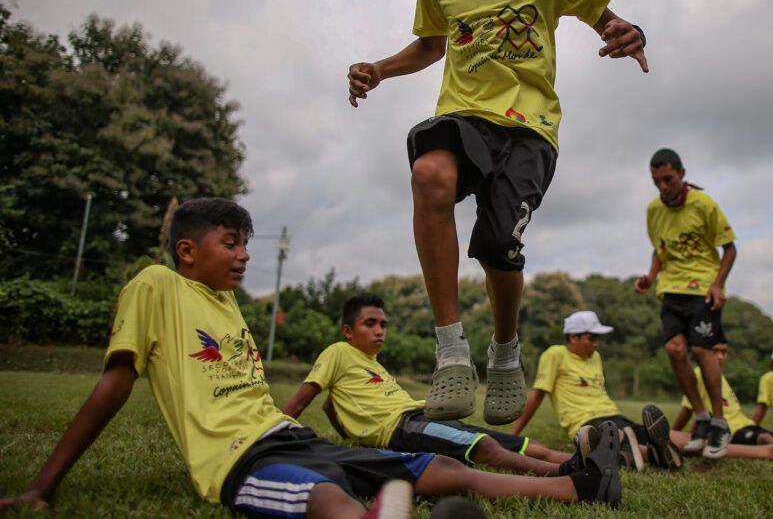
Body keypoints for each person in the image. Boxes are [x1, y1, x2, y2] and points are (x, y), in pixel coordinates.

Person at [0, 199, 624, 517]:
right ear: (186, 250)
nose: (244, 255)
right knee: (329, 502)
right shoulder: (155, 286)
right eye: (231, 244)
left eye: (247, 244)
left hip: (290, 437)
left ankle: (578, 486)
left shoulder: (226, 305)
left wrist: (293, 422)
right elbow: (115, 381)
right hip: (239, 459)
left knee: (433, 470)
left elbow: (276, 401)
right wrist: (42, 487)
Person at [347, 0, 648, 426]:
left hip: (531, 127)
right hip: (465, 114)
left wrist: (628, 29)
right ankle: (452, 352)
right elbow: (433, 44)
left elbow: (602, 15)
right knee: (428, 173)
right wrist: (381, 68)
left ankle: (505, 353)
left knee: (496, 248)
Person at [281, 293, 578, 477]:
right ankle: (569, 474)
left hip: (425, 414)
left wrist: (349, 431)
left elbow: (331, 405)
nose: (379, 331)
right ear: (348, 331)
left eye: (383, 325)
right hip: (401, 427)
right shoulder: (338, 352)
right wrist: (276, 436)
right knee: (485, 446)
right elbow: (302, 401)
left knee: (517, 443)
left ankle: (588, 459)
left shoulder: (373, 363)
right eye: (370, 324)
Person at [633, 148, 736, 459]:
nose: (663, 187)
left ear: (681, 173)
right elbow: (659, 250)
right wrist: (651, 277)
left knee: (704, 350)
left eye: (668, 179)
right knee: (674, 350)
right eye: (656, 181)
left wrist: (718, 285)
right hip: (671, 289)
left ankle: (720, 423)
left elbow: (729, 248)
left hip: (702, 289)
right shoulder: (653, 210)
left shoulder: (703, 204)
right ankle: (702, 418)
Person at [512, 310, 692, 472]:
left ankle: (680, 445)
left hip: (615, 415)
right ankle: (652, 452)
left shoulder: (595, 357)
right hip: (587, 421)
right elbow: (537, 396)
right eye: (591, 338)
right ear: (573, 337)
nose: (596, 344)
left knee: (683, 440)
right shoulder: (554, 354)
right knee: (618, 436)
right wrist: (514, 435)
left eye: (598, 339)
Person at [674, 343, 773, 465]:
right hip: (731, 429)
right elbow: (690, 410)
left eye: (724, 352)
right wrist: (675, 432)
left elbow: (700, 413)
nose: (720, 356)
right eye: (715, 351)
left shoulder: (719, 377)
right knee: (765, 437)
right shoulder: (698, 374)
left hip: (745, 424)